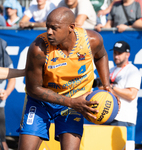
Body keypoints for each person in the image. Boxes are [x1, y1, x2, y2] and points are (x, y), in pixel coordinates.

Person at [17, 7, 119, 150]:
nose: (49, 32)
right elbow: (34, 89)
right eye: (47, 27)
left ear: (71, 27)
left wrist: (106, 84)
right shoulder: (39, 48)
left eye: (54, 28)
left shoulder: (92, 40)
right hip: (42, 101)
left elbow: (101, 56)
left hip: (75, 99)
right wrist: (71, 102)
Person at [106, 41, 141, 150]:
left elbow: (131, 94)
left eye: (119, 53)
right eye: (115, 53)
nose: (116, 56)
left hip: (124, 118)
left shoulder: (133, 71)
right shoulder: (110, 70)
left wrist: (111, 88)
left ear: (127, 54)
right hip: (108, 116)